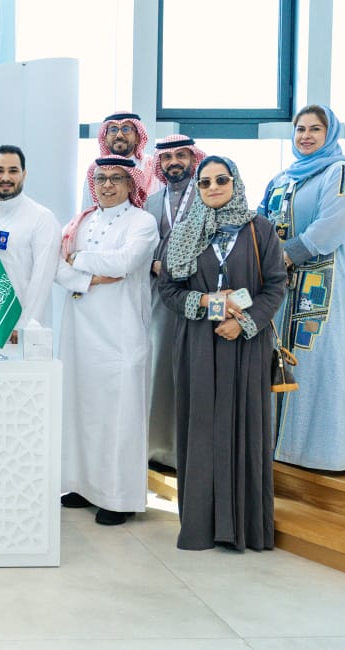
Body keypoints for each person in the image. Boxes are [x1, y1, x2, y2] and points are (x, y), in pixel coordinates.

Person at [159, 156, 287, 551]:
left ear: (236, 183)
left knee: (244, 428)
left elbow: (276, 285)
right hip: (197, 343)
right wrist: (213, 305)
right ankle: (199, 528)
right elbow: (169, 291)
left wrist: (243, 323)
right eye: (205, 182)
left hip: (246, 344)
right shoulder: (183, 232)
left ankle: (243, 529)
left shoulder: (260, 229)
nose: (213, 187)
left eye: (221, 180)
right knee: (200, 430)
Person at [258, 104, 345, 471]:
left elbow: (331, 226)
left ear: (330, 134)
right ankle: (283, 447)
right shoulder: (281, 179)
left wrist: (284, 256)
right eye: (300, 129)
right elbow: (260, 221)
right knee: (283, 358)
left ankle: (327, 452)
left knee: (323, 360)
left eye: (315, 129)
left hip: (329, 282)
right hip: (284, 282)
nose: (305, 136)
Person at [55, 156, 159, 526]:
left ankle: (118, 498)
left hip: (120, 333)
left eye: (116, 178)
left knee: (119, 414)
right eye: (101, 178)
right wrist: (89, 279)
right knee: (81, 408)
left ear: (131, 184)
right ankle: (81, 486)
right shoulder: (80, 221)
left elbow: (124, 262)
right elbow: (57, 267)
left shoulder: (142, 222)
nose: (107, 185)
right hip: (80, 332)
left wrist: (80, 259)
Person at [144, 134, 207, 471]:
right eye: (167, 158)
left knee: (193, 370)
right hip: (160, 296)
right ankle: (157, 448)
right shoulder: (152, 202)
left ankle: (191, 449)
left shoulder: (207, 196)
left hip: (198, 293)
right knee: (160, 368)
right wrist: (155, 263)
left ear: (193, 159)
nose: (174, 163)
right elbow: (143, 245)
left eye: (181, 156)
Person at [0, 145, 61, 343]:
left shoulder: (42, 218)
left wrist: (23, 325)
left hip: (22, 330)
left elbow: (42, 279)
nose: (6, 177)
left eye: (13, 171)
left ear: (24, 174)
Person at [97, 112, 159, 196]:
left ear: (137, 138)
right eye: (113, 130)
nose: (119, 135)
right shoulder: (95, 170)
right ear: (105, 140)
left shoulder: (152, 167)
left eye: (126, 129)